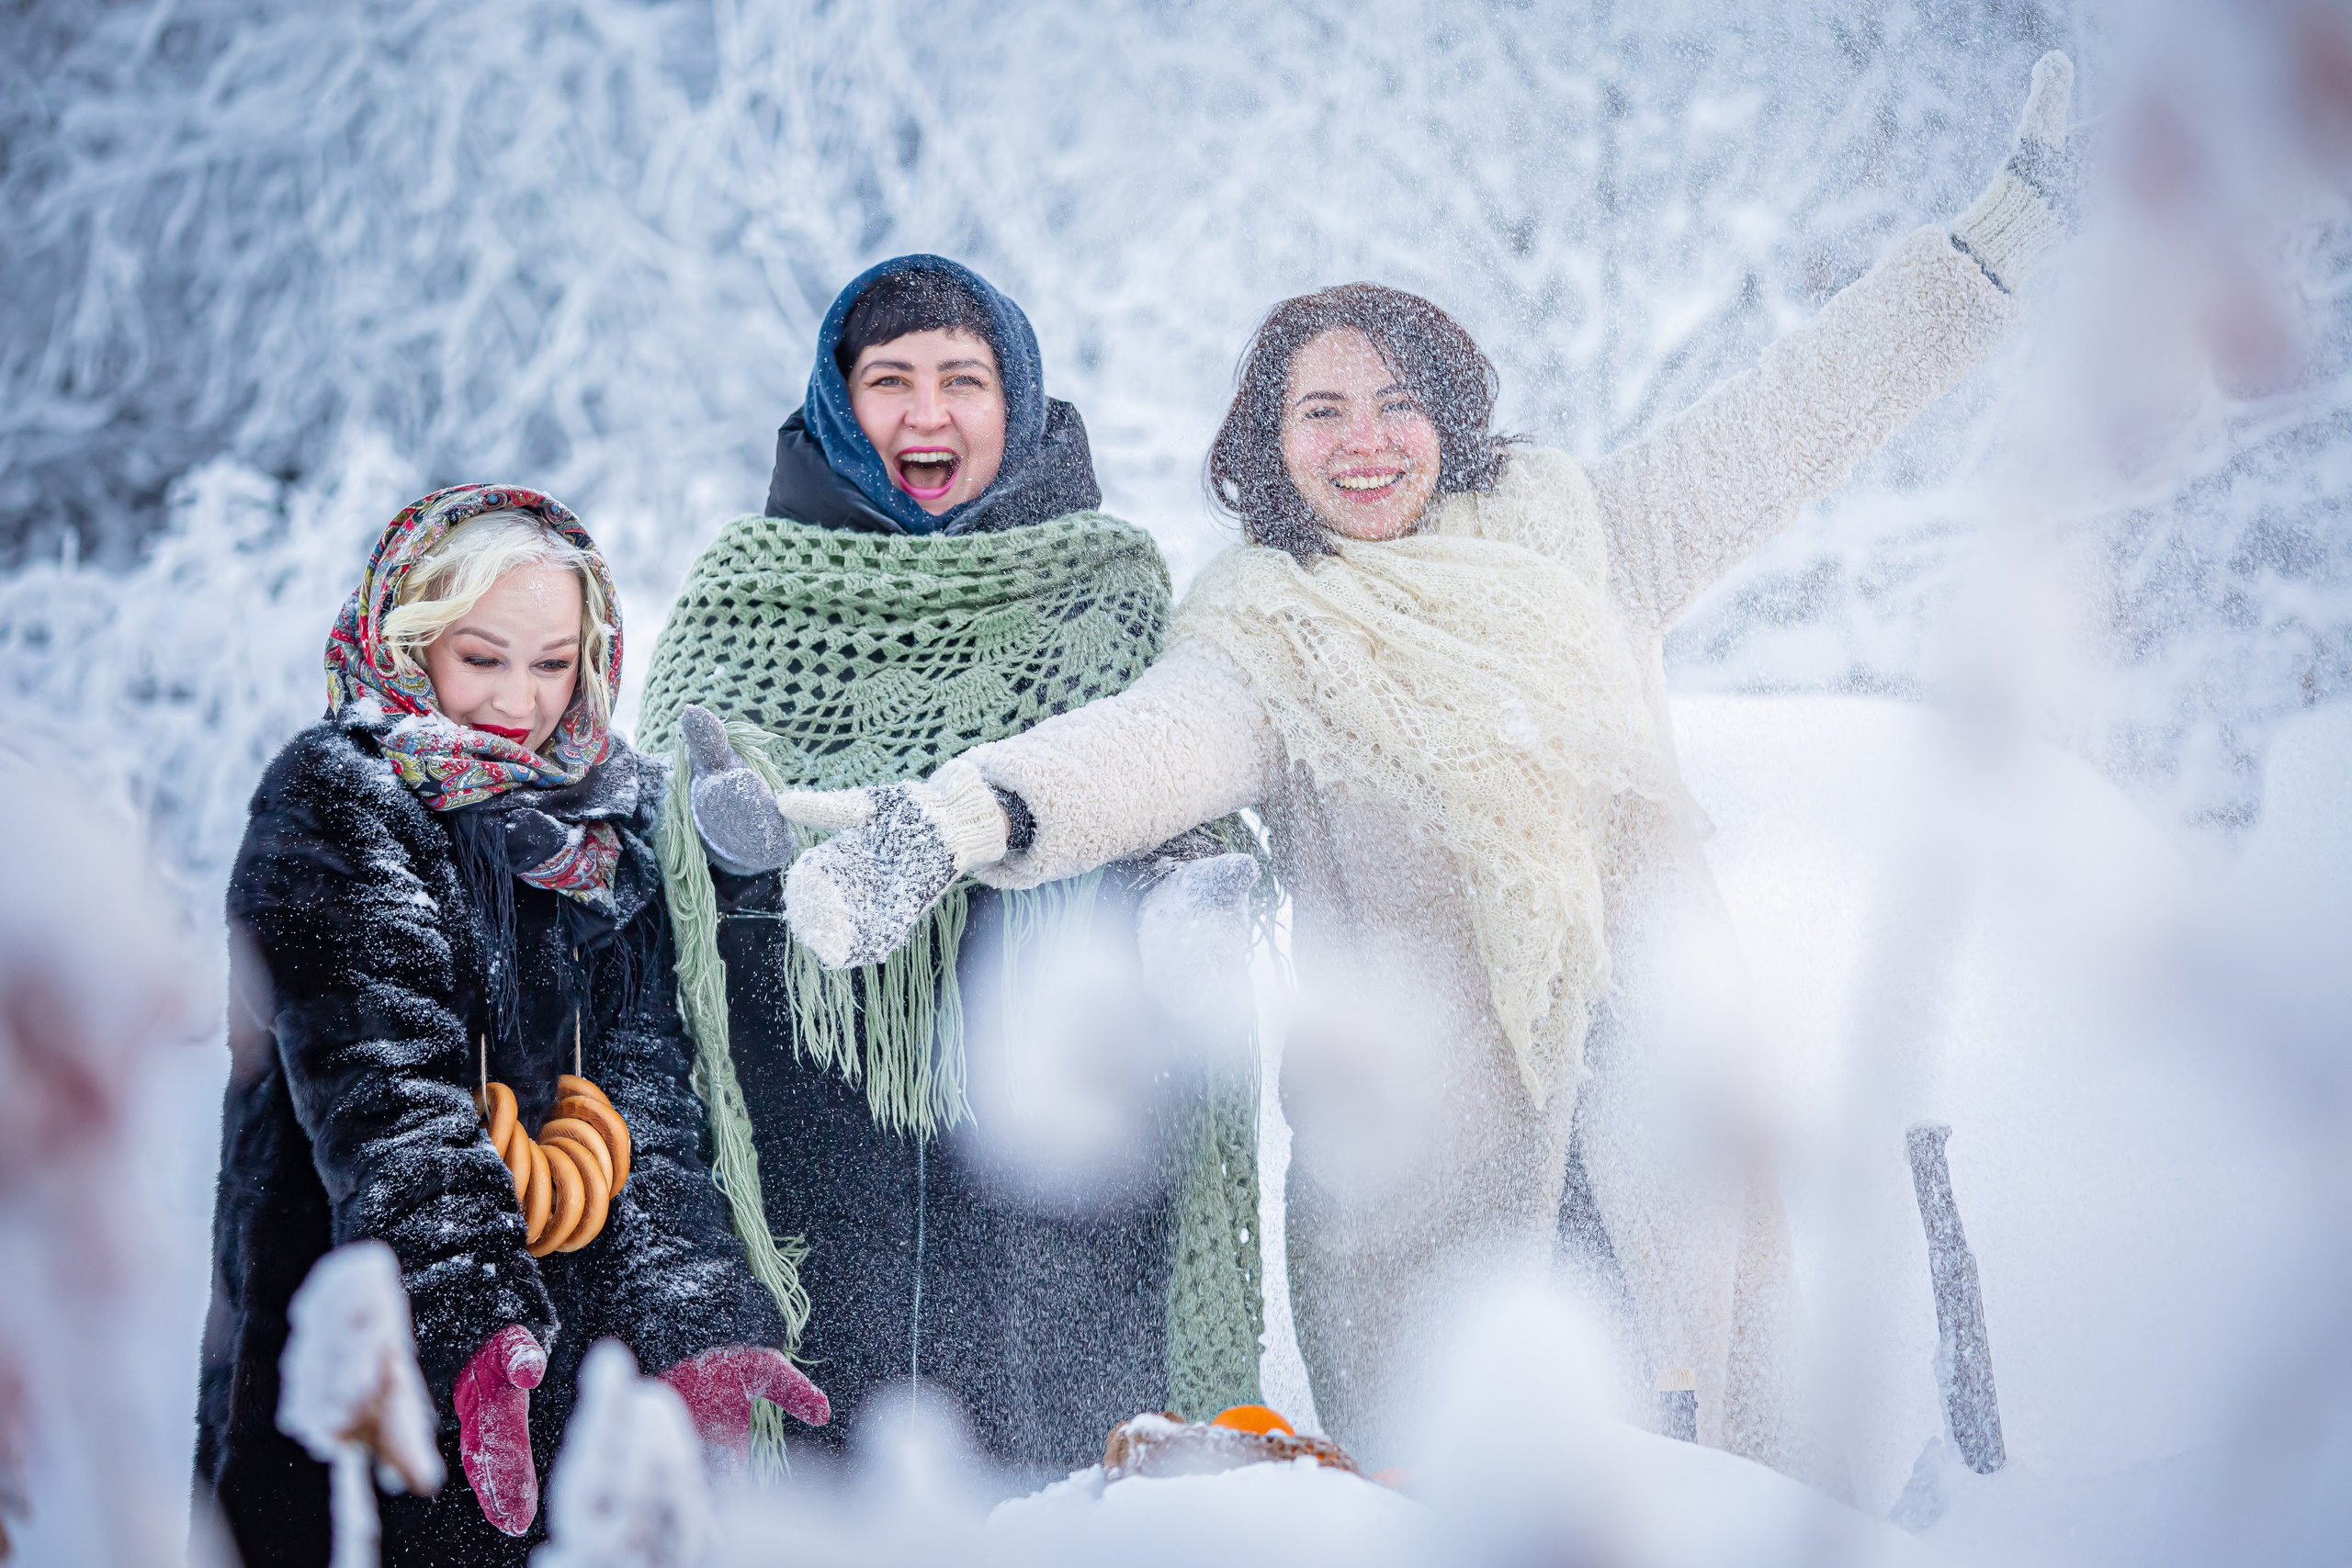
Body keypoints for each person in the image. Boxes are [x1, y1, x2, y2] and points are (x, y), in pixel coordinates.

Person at [700, 57, 2087, 1483]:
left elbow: (1798, 408)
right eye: (1320, 411)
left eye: (1393, 403)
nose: (1364, 441)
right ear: (1268, 444)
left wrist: (1993, 249)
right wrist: (950, 819)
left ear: (1453, 416)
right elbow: (1133, 750)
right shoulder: (1264, 634)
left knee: (1713, 1484)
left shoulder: (1589, 540)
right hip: (1440, 1190)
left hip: (1663, 1135)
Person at [637, 256, 1265, 1481]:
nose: (927, 415)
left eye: (963, 380)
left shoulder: (1109, 600)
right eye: (890, 381)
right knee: (827, 1499)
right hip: (816, 1167)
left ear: (1017, 400)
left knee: (1065, 1493)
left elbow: (1167, 779)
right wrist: (728, 848)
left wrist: (1181, 889)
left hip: (1057, 1181)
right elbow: (653, 894)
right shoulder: (742, 598)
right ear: (838, 404)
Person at [196, 485, 827, 1568]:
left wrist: (691, 1321)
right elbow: (393, 1101)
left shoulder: (601, 825)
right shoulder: (339, 800)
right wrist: (476, 1329)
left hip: (558, 1353)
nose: (517, 703)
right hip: (366, 1332)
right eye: (482, 659)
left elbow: (643, 1093)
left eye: (552, 664)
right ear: (411, 642)